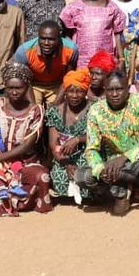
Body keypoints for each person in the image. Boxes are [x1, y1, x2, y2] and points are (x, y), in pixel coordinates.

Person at [76, 71, 139, 224]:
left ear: (127, 89)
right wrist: (100, 169)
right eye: (110, 90)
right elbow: (91, 148)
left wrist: (126, 156)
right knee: (82, 176)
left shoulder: (138, 102)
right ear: (104, 90)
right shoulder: (96, 110)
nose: (114, 94)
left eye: (119, 89)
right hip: (115, 170)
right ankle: (120, 193)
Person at [0, 62, 53, 217]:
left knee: (41, 176)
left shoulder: (35, 111)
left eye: (19, 88)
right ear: (5, 87)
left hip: (23, 162)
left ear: (27, 87)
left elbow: (26, 145)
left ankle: (14, 203)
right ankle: (0, 203)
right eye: (10, 88)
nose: (14, 92)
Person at [59, 0, 126, 68]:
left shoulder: (111, 7)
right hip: (81, 60)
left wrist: (121, 58)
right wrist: (68, 58)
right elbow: (68, 35)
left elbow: (117, 35)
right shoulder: (73, 7)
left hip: (105, 58)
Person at [47, 69, 93, 203]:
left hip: (89, 152)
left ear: (85, 92)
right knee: (58, 176)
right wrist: (66, 164)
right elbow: (53, 144)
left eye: (79, 91)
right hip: (64, 155)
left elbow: (99, 136)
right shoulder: (55, 112)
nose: (74, 95)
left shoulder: (94, 109)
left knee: (87, 174)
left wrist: (78, 139)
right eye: (70, 91)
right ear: (64, 92)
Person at [13, 20, 79, 107]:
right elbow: (24, 80)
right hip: (33, 85)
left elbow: (68, 77)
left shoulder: (71, 49)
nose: (46, 43)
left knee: (56, 113)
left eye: (51, 39)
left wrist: (56, 103)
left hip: (58, 85)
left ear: (59, 38)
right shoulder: (24, 51)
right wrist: (34, 106)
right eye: (43, 38)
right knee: (32, 112)